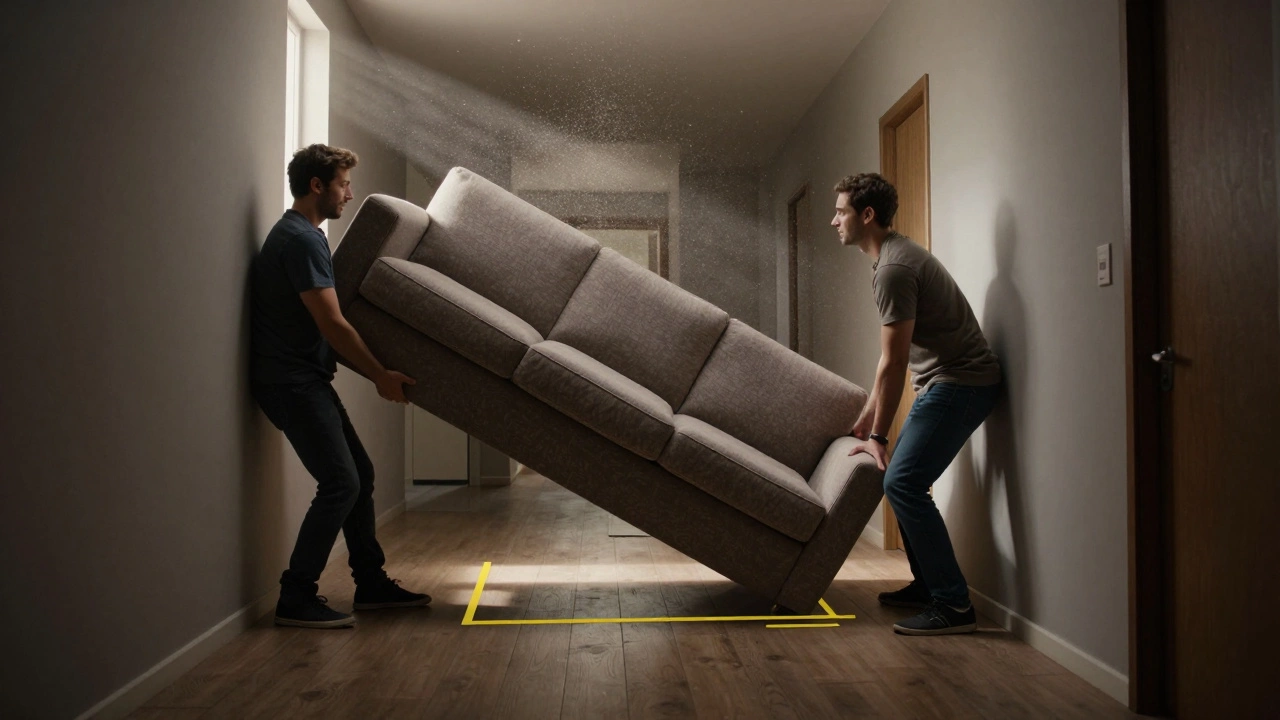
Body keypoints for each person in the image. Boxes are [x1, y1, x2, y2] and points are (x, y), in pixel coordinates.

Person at [251, 143, 430, 629]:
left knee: (360, 476)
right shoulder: (302, 240)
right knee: (341, 482)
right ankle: (296, 596)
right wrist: (380, 376)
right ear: (317, 185)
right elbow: (332, 323)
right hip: (289, 382)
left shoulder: (304, 235)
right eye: (344, 184)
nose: (349, 194)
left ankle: (370, 583)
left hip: (302, 379)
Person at [832, 173, 1003, 636]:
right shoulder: (891, 258)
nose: (835, 221)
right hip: (946, 383)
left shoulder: (894, 268)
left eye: (841, 211)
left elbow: (895, 360)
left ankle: (953, 605)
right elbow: (890, 358)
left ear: (867, 216)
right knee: (904, 481)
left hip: (961, 382)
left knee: (902, 481)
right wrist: (869, 415)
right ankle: (928, 586)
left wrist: (877, 436)